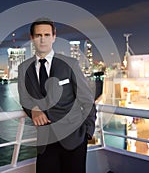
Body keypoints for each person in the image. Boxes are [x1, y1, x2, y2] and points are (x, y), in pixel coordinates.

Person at [18, 18, 96, 173]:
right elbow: (24, 97)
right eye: (38, 35)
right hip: (45, 141)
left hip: (74, 138)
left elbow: (87, 101)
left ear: (54, 37)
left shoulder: (70, 64)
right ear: (32, 38)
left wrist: (88, 132)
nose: (42, 39)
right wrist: (33, 110)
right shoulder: (23, 68)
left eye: (47, 35)